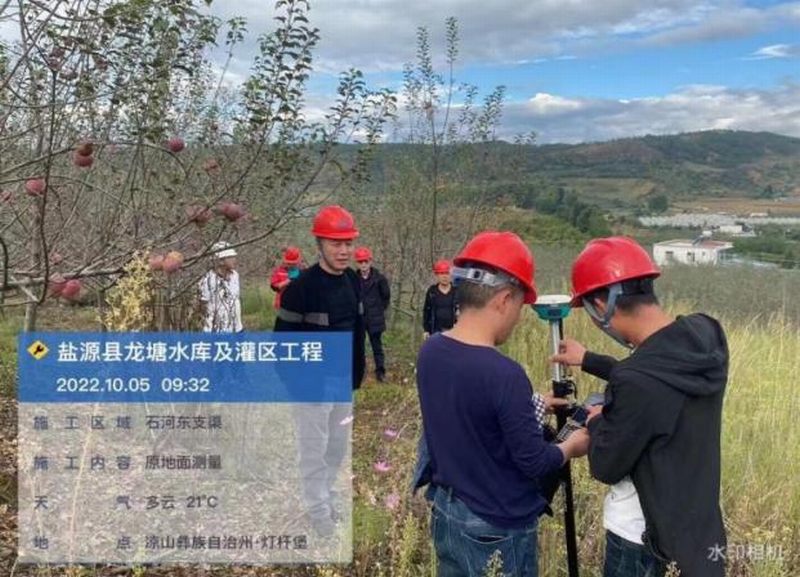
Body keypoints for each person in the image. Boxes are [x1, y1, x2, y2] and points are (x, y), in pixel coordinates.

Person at [552, 236, 728, 577]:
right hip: (697, 530)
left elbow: (606, 465)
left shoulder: (636, 381)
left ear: (600, 306)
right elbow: (657, 378)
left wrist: (597, 421)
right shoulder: (707, 334)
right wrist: (589, 359)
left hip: (642, 542)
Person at [417, 231, 589, 577]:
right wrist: (571, 446)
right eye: (521, 306)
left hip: (447, 512)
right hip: (494, 528)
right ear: (505, 299)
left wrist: (532, 405)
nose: (518, 317)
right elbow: (535, 461)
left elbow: (469, 418)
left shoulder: (431, 350)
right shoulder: (504, 373)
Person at [273, 205, 366, 537]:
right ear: (319, 244)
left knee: (336, 448)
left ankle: (324, 496)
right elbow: (282, 344)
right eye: (335, 244)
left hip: (342, 383)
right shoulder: (301, 288)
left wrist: (355, 375)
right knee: (313, 450)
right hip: (312, 386)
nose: (343, 251)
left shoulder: (353, 280)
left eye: (348, 243)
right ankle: (318, 513)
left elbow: (357, 330)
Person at [354, 246, 391, 382]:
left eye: (366, 261)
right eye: (360, 262)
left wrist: (378, 310)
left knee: (377, 346)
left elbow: (386, 296)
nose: (363, 264)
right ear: (357, 263)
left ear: (370, 261)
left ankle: (380, 372)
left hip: (375, 318)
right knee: (359, 346)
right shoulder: (352, 279)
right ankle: (360, 371)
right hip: (359, 318)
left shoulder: (380, 279)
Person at [198, 241, 242, 333]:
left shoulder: (235, 275)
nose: (234, 260)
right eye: (230, 257)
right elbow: (203, 305)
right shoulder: (207, 280)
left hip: (236, 328)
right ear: (221, 261)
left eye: (234, 257)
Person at [423, 259, 458, 339]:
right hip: (435, 331)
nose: (445, 276)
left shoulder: (457, 291)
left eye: (447, 273)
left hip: (454, 332)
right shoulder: (432, 291)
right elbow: (426, 311)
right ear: (437, 275)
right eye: (442, 273)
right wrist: (426, 330)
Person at [270, 246, 304, 310]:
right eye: (289, 263)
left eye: (294, 264)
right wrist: (285, 282)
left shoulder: (303, 271)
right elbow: (274, 286)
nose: (291, 266)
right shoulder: (279, 271)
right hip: (282, 305)